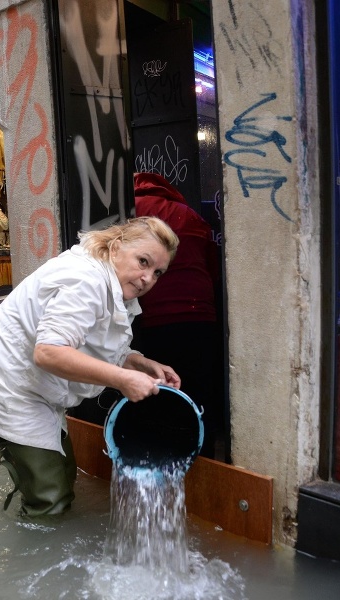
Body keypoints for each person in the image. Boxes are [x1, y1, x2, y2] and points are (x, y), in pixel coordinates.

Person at [0, 217, 181, 517]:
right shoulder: (85, 280)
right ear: (116, 248)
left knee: (64, 473)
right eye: (143, 261)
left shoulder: (112, 283)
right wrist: (123, 380)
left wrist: (140, 363)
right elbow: (49, 352)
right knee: (51, 499)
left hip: (35, 389)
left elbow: (95, 346)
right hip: (7, 389)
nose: (147, 278)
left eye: (157, 272)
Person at [132, 172, 224, 459]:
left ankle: (157, 457)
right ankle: (202, 458)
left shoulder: (132, 211)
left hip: (153, 316)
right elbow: (213, 266)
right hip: (200, 315)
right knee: (196, 392)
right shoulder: (189, 214)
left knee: (155, 389)